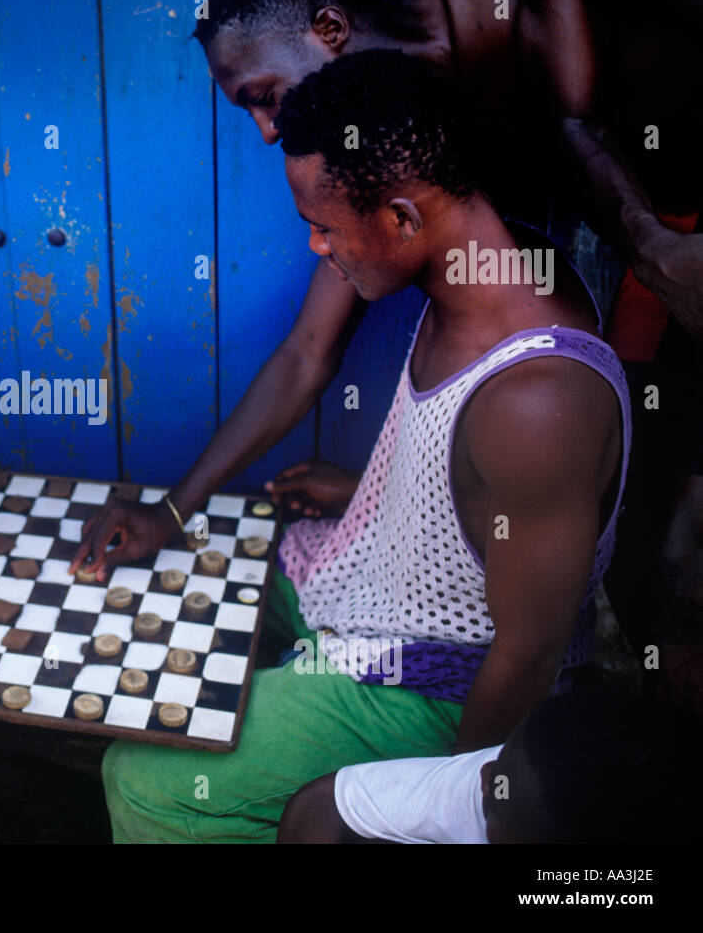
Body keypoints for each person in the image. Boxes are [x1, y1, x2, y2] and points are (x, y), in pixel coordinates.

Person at [95, 50, 629, 842]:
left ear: (403, 219)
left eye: (322, 228)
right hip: (372, 582)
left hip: (437, 683)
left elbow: (525, 657)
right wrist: (175, 511)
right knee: (210, 559)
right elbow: (462, 482)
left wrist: (424, 809)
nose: (316, 248)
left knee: (142, 783)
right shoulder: (477, 251)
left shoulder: (537, 400)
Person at [187, 0, 703, 690]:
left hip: (676, 229)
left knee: (669, 555)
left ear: (329, 29)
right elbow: (308, 351)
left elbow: (579, 122)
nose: (269, 132)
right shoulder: (389, 150)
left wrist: (655, 252)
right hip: (661, 244)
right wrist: (177, 509)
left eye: (264, 97)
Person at [279, 691, 701, 843]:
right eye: (496, 760)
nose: (482, 778)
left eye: (497, 809)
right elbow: (322, 806)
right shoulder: (508, 781)